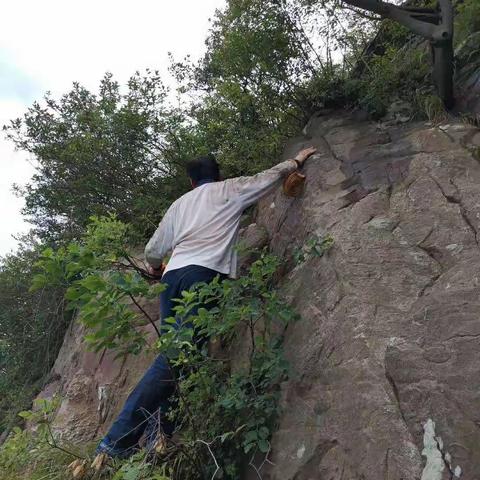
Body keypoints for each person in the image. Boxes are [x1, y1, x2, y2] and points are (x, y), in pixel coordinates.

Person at [92, 146, 317, 464]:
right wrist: (295, 161)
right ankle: (115, 442)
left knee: (177, 357)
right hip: (203, 276)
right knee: (175, 358)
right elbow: (267, 178)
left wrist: (156, 269)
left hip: (172, 280)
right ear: (218, 175)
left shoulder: (179, 205)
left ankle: (160, 436)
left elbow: (154, 249)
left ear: (190, 181)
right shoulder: (230, 189)